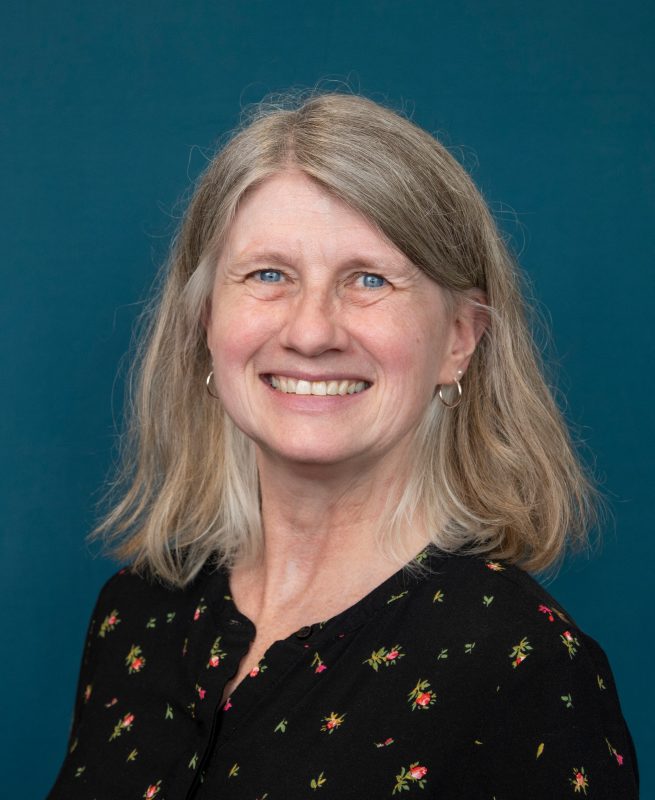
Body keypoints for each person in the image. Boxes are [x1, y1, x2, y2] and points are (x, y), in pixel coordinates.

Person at [47, 92, 638, 799]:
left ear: (459, 338)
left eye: (367, 279)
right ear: (204, 320)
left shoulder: (523, 664)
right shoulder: (139, 613)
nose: (310, 331)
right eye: (268, 274)